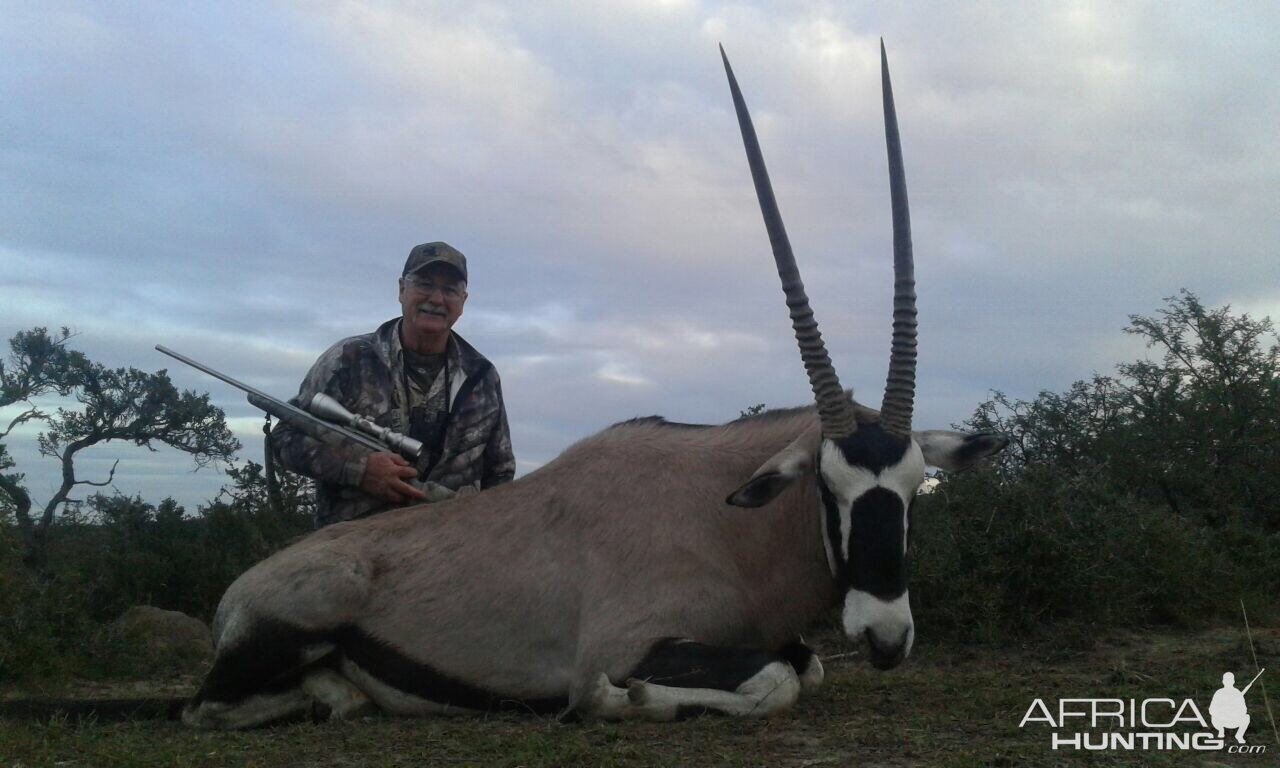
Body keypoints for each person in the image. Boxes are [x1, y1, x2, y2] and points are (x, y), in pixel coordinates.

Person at [273, 241, 515, 527]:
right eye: (424, 284)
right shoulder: (348, 359)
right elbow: (285, 437)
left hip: (449, 551)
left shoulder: (482, 376)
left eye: (450, 290)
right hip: (354, 546)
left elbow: (500, 475)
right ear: (402, 290)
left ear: (463, 301)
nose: (436, 299)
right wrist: (358, 471)